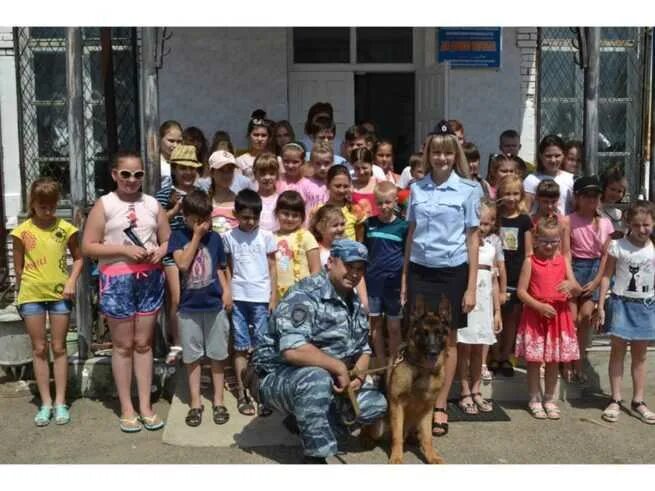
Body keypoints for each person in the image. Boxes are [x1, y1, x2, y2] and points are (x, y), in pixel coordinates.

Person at [252, 239, 387, 464]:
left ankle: (305, 421)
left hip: (331, 377)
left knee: (375, 405)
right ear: (331, 262)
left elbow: (364, 348)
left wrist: (360, 374)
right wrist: (338, 366)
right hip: (279, 374)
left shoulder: (353, 302)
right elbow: (293, 350)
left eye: (360, 269)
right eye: (349, 266)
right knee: (316, 379)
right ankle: (314, 457)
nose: (354, 274)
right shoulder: (306, 294)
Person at [401, 120, 482, 437]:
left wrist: (472, 286)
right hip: (421, 270)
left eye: (448, 153)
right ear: (427, 154)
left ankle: (440, 406)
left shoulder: (469, 190)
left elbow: (473, 238)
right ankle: (417, 400)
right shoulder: (417, 189)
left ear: (455, 154)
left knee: (448, 341)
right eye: (436, 152)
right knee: (417, 336)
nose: (442, 158)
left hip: (452, 272)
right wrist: (406, 278)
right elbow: (411, 234)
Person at [82, 151, 170, 433]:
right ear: (114, 175)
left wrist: (160, 252)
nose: (132, 180)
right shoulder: (105, 204)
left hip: (149, 279)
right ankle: (127, 406)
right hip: (117, 280)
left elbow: (167, 238)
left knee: (144, 343)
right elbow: (89, 246)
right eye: (126, 174)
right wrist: (123, 249)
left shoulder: (153, 204)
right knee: (122, 346)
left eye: (138, 174)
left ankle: (145, 405)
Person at [11, 178, 83, 426]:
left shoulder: (65, 228)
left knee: (59, 346)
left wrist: (72, 280)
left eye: (52, 205)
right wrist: (22, 293)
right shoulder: (22, 232)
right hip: (32, 295)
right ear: (33, 203)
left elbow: (79, 258)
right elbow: (18, 268)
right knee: (39, 348)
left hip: (59, 295)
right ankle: (45, 402)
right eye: (43, 206)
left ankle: (61, 401)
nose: (48, 210)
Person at [167, 190, 232, 427]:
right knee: (192, 357)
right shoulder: (177, 237)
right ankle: (196, 402)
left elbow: (220, 267)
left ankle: (218, 400)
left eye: (206, 218)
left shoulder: (215, 239)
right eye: (198, 219)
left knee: (217, 354)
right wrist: (195, 237)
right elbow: (183, 264)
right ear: (186, 217)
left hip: (214, 306)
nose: (204, 224)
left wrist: (227, 290)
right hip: (189, 308)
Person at [515, 216, 580, 420]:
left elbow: (576, 288)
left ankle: (549, 398)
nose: (549, 245)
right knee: (534, 362)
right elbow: (521, 292)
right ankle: (534, 398)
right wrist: (538, 306)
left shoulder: (563, 261)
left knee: (553, 361)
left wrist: (572, 287)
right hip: (536, 315)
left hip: (559, 316)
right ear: (536, 240)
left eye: (554, 242)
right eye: (545, 241)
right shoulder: (530, 262)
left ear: (560, 242)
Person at [596, 200, 655, 424]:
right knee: (617, 352)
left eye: (647, 225)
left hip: (646, 305)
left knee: (640, 355)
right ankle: (615, 399)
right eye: (638, 225)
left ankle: (638, 401)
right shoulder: (618, 245)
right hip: (621, 302)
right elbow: (605, 276)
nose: (642, 230)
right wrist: (601, 305)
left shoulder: (653, 246)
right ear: (628, 223)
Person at [222, 189, 277, 417]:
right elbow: (226, 266)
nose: (250, 221)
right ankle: (243, 392)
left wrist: (273, 296)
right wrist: (228, 291)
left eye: (254, 217)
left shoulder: (266, 236)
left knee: (262, 347)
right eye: (245, 217)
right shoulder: (229, 237)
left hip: (261, 299)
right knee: (241, 347)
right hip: (238, 298)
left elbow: (273, 266)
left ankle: (261, 392)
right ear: (236, 214)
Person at [155, 144, 205, 364]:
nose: (187, 172)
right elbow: (155, 221)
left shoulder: (200, 192)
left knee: (195, 294)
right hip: (171, 249)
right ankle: (176, 342)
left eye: (191, 168)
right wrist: (175, 209)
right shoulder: (165, 192)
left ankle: (194, 339)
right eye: (182, 168)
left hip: (195, 248)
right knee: (176, 297)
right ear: (174, 168)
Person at [457, 199, 504, 413]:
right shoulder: (466, 243)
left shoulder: (493, 245)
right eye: (480, 223)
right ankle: (464, 390)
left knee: (479, 349)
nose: (483, 228)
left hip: (486, 301)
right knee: (464, 348)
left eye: (487, 224)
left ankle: (477, 390)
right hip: (470, 300)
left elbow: (494, 280)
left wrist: (497, 311)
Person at [568, 176, 613, 384]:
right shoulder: (569, 220)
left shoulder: (605, 222)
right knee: (570, 318)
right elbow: (566, 253)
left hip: (595, 268)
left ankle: (578, 359)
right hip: (575, 266)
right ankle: (568, 361)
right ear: (577, 197)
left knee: (585, 317)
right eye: (586, 196)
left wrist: (596, 281)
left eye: (595, 195)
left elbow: (606, 254)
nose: (591, 200)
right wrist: (571, 279)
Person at [363, 181, 408, 367]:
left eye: (388, 202)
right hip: (373, 283)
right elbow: (363, 251)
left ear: (395, 201)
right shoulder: (369, 224)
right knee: (375, 326)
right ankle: (381, 364)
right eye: (380, 203)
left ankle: (394, 364)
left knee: (394, 327)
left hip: (394, 284)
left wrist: (405, 285)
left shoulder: (403, 227)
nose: (384, 207)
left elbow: (406, 257)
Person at [492, 175, 533, 377]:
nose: (511, 198)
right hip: (496, 274)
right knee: (495, 315)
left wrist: (527, 275)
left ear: (521, 195)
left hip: (516, 274)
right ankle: (494, 354)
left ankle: (506, 356)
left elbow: (528, 252)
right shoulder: (496, 217)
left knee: (511, 319)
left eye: (515, 193)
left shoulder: (524, 220)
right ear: (500, 194)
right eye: (507, 193)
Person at [274, 190, 321, 298]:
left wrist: (311, 292)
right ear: (277, 213)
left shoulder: (307, 236)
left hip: (303, 295)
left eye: (295, 215)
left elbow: (316, 270)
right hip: (277, 296)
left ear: (302, 217)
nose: (290, 219)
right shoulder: (271, 238)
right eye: (285, 214)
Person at [523, 135, 575, 215]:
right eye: (548, 156)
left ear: (564, 155)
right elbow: (525, 211)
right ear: (540, 156)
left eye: (557, 156)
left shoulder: (571, 179)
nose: (553, 160)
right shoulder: (531, 180)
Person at [321, 164, 366, 242]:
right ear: (328, 185)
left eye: (345, 186)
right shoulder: (319, 210)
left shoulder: (356, 210)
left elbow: (360, 240)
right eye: (337, 186)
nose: (342, 190)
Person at [278, 143, 318, 218]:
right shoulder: (277, 181)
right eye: (286, 161)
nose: (290, 165)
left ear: (302, 162)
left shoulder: (308, 184)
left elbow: (309, 209)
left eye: (295, 162)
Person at [208, 150, 239, 235]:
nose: (226, 175)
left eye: (230, 170)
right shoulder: (205, 200)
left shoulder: (239, 201)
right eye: (221, 170)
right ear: (211, 173)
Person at [236, 112, 273, 181]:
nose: (259, 139)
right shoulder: (240, 161)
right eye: (256, 135)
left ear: (269, 138)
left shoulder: (275, 159)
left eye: (263, 135)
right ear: (249, 136)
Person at [253, 152, 280, 232]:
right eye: (262, 174)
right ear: (255, 174)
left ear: (277, 175)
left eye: (272, 174)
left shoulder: (281, 199)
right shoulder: (252, 199)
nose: (267, 177)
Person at [600, 164, 628, 239]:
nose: (615, 194)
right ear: (604, 188)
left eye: (619, 191)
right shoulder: (597, 210)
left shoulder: (620, 213)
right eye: (612, 189)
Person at [350, 147, 380, 218]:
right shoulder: (349, 186)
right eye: (357, 168)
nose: (361, 172)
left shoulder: (379, 184)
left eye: (364, 168)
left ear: (372, 164)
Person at [159, 120, 183, 186]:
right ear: (160, 139)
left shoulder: (184, 162)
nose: (175, 145)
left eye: (179, 141)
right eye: (171, 141)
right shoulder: (155, 164)